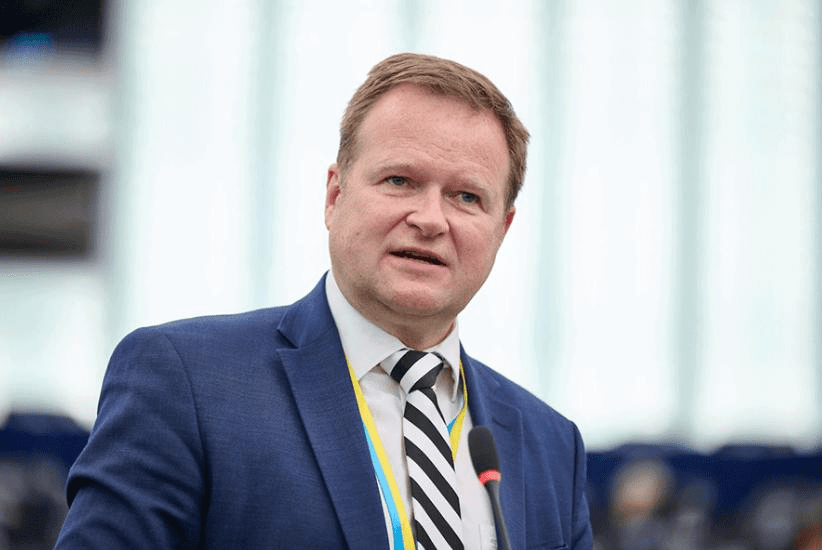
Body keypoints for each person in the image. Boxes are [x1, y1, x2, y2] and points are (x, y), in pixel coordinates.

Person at [54, 53, 592, 549]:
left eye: (466, 197)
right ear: (335, 196)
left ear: (502, 229)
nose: (430, 219)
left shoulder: (551, 445)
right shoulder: (186, 381)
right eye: (400, 180)